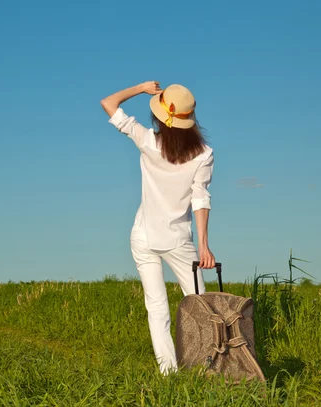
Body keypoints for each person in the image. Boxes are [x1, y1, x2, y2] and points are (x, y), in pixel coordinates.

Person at [100, 81, 216, 374]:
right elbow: (200, 199)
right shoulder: (203, 154)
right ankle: (207, 365)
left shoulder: (148, 141)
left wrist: (140, 89)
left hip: (143, 235)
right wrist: (203, 245)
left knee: (157, 308)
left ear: (161, 118)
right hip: (176, 239)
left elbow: (108, 103)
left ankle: (169, 374)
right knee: (200, 304)